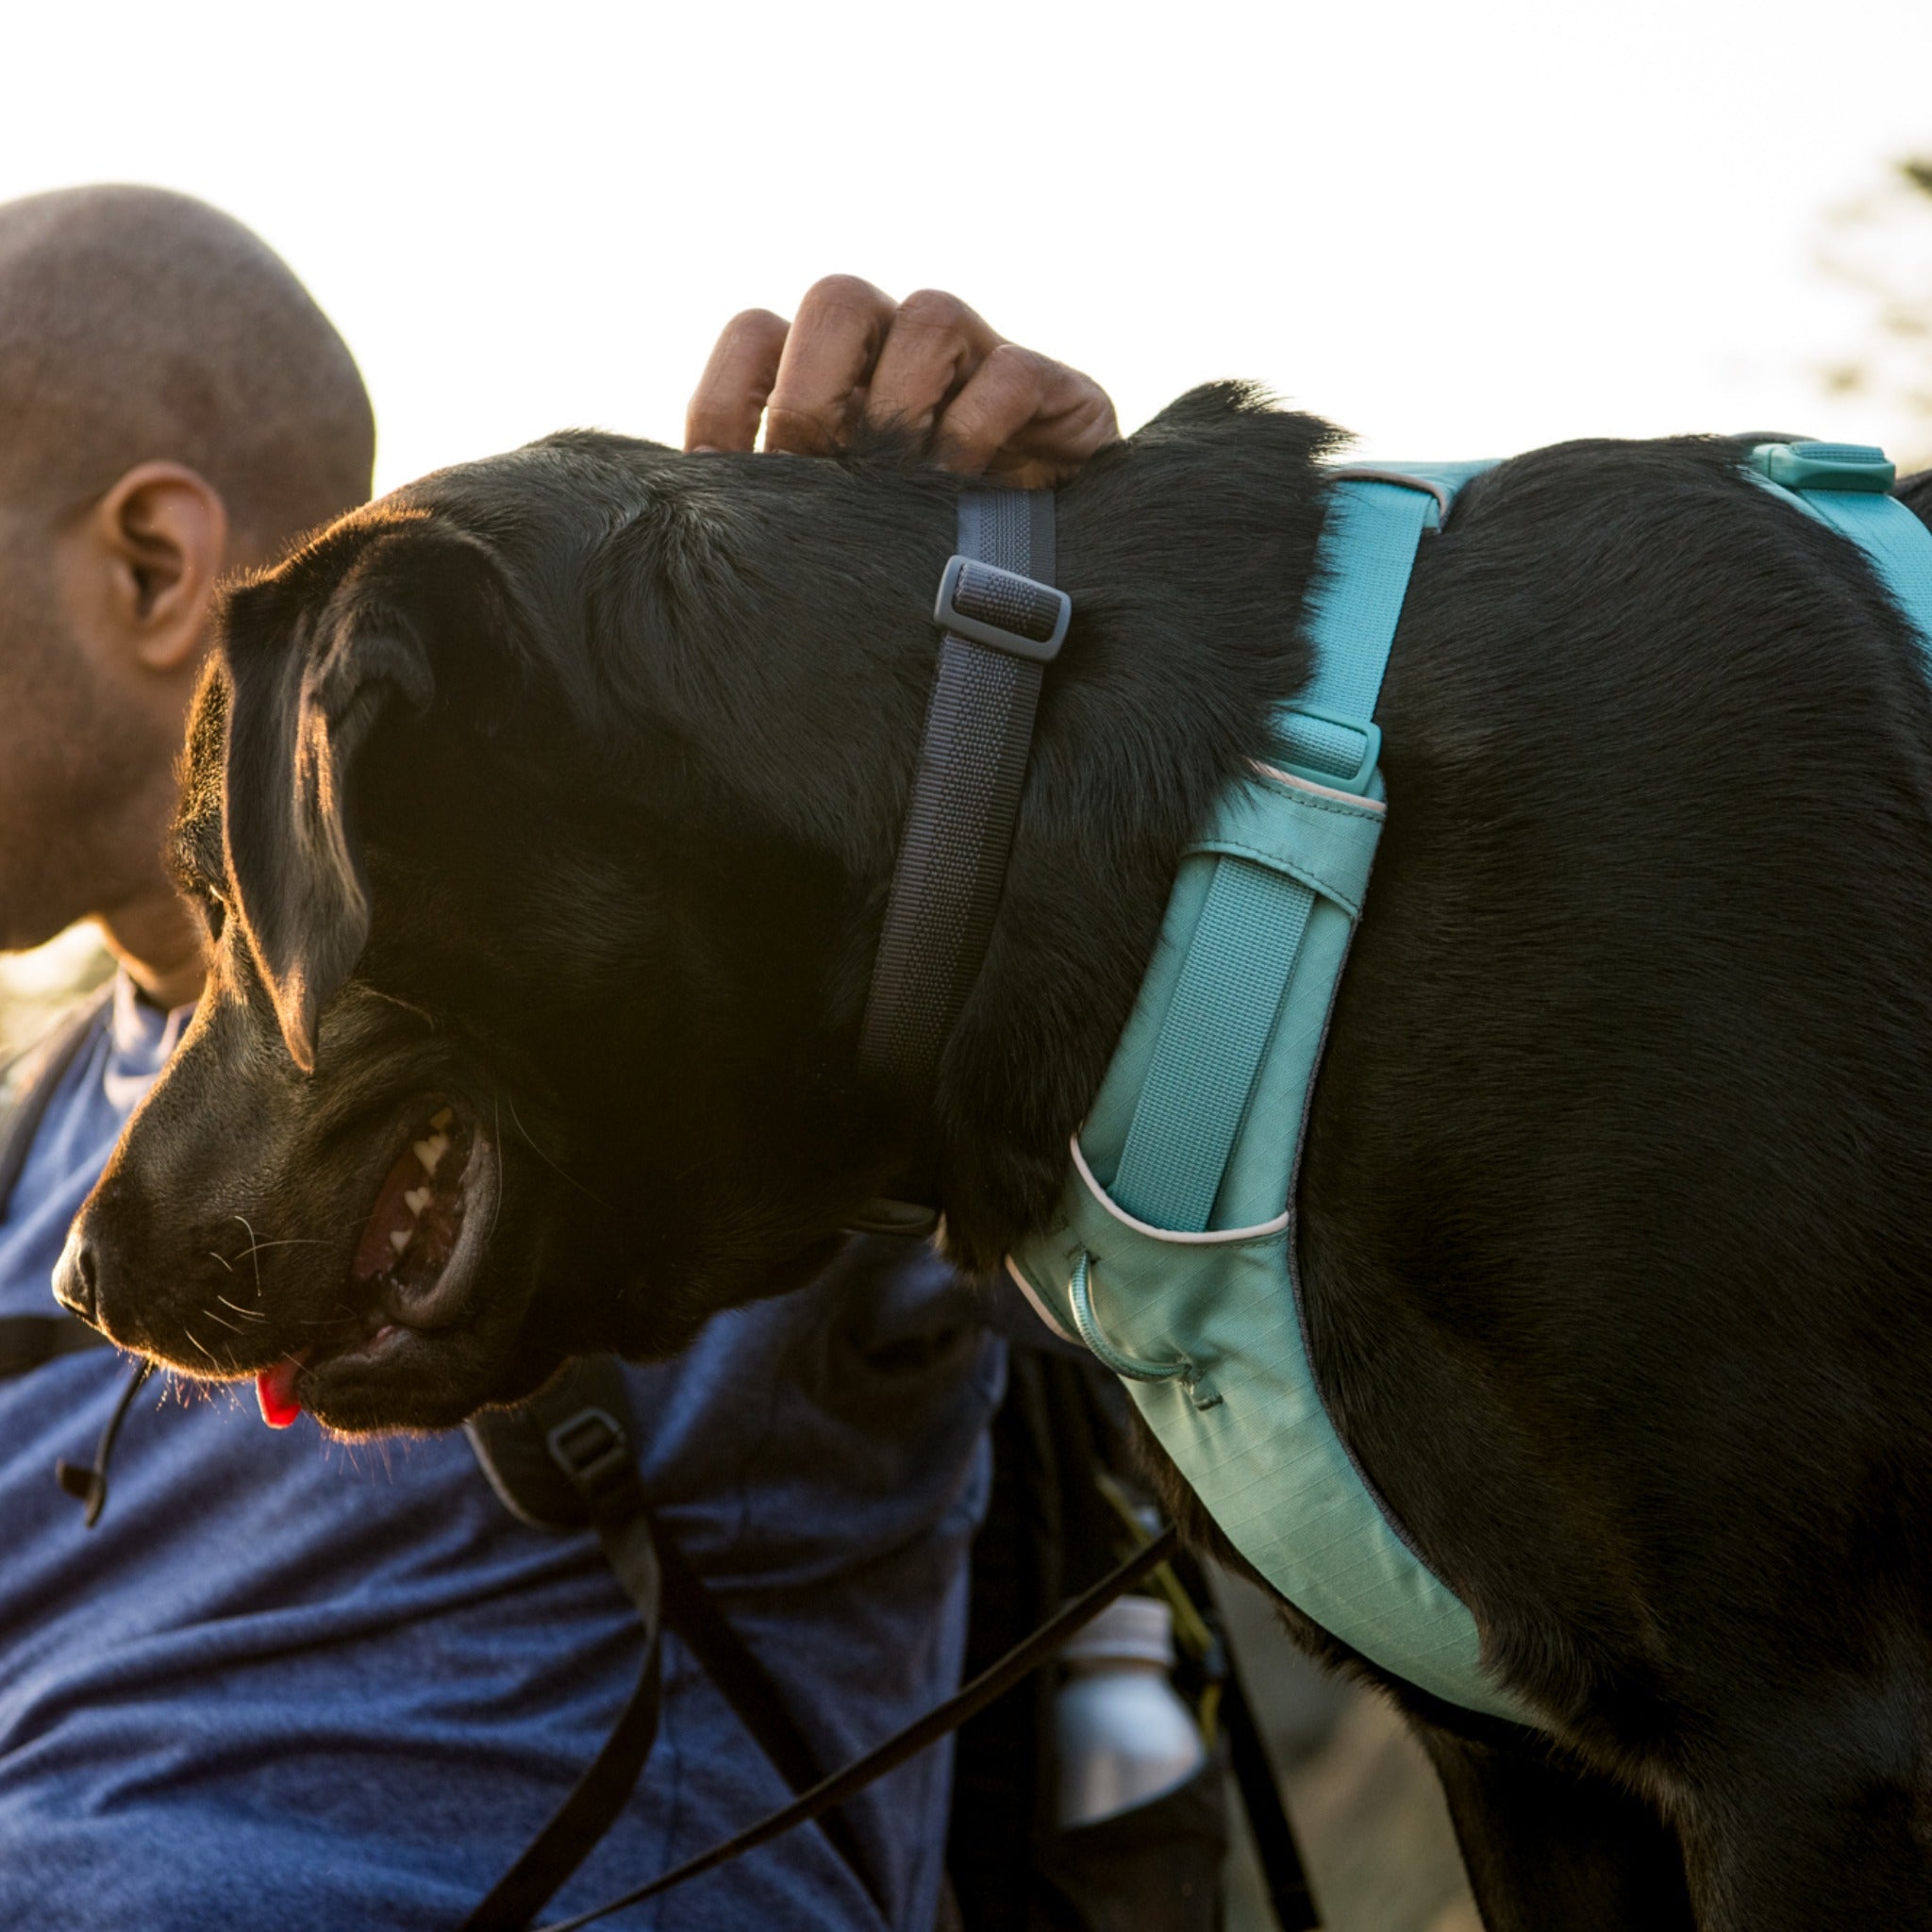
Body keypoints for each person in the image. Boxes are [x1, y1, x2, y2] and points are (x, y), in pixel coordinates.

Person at [0, 191, 1112, 1928]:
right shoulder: (24, 1156)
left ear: (151, 568)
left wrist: (959, 575)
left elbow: (1085, 974)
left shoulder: (681, 957)